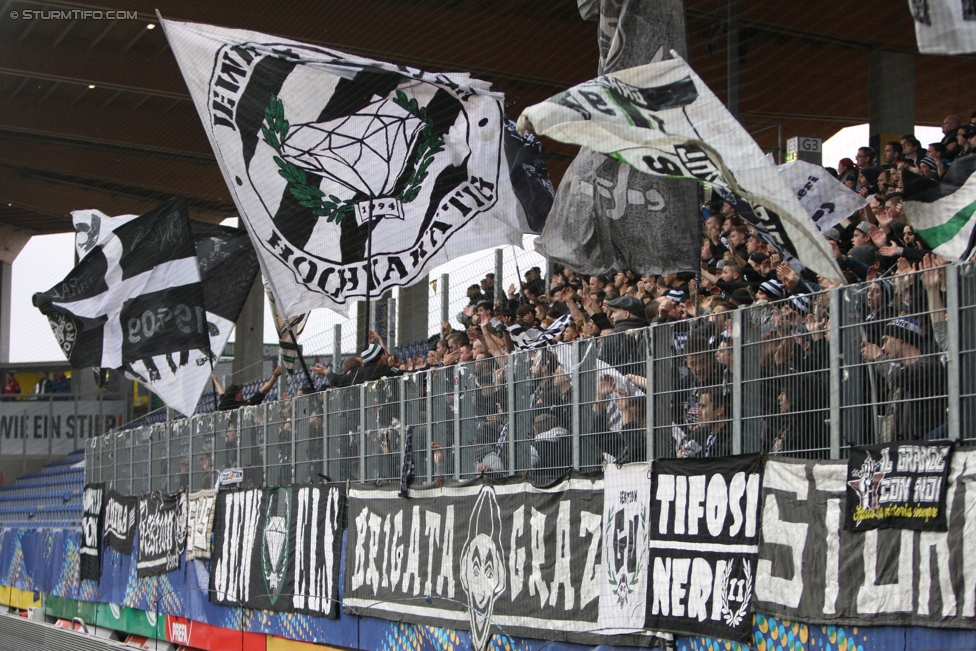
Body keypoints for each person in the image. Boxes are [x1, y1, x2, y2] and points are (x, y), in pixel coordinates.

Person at [212, 365, 284, 411]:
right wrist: (274, 377)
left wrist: (215, 380)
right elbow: (263, 391)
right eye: (240, 391)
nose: (242, 393)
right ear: (236, 395)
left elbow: (221, 392)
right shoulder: (243, 407)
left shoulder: (224, 404)